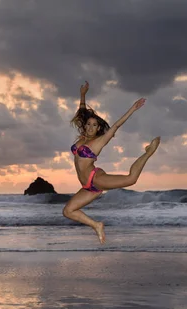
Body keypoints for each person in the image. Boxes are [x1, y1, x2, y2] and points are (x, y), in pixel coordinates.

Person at [63, 80, 161, 244]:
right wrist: (82, 95)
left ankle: (148, 153)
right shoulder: (81, 138)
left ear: (98, 128)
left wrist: (133, 108)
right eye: (88, 124)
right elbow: (81, 113)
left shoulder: (98, 142)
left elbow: (115, 126)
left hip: (96, 179)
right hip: (87, 187)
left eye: (94, 125)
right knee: (68, 211)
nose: (91, 127)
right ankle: (97, 225)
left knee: (131, 179)